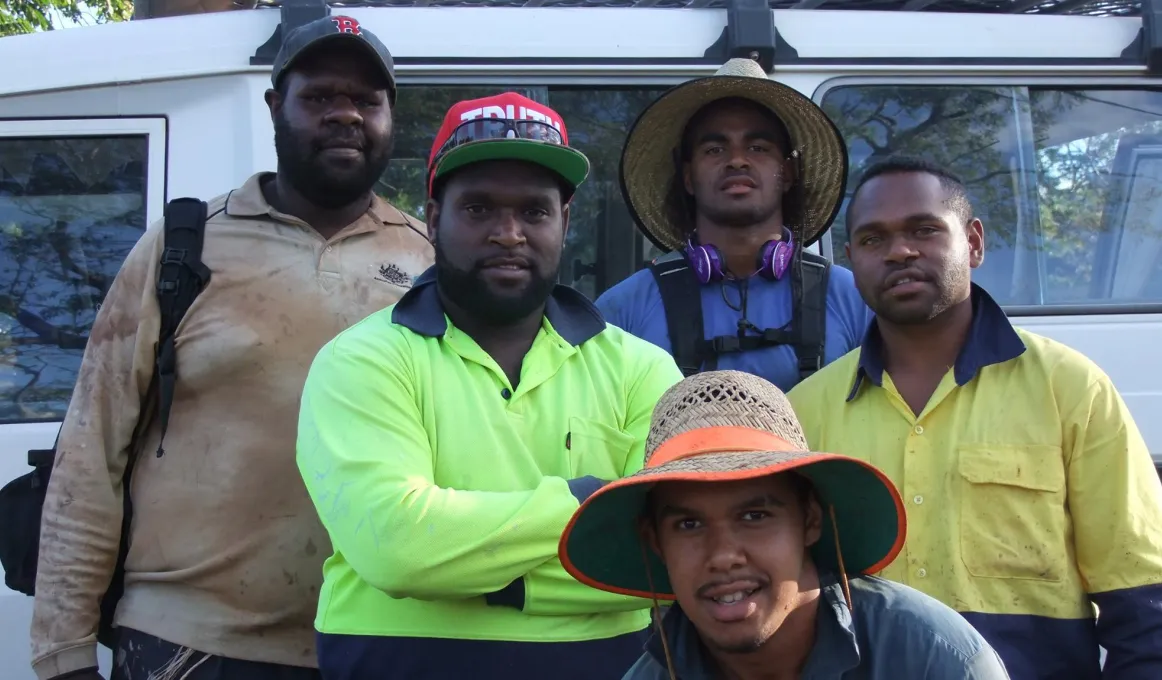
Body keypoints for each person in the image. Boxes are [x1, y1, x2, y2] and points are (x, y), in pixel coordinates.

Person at [29, 15, 433, 680]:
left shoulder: (427, 262)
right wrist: (63, 653)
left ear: (391, 116)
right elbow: (89, 453)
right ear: (276, 107)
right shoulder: (184, 247)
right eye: (321, 96)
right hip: (188, 646)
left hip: (375, 641)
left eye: (366, 100)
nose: (345, 116)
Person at [294, 92, 684, 680]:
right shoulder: (361, 361)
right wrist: (584, 504)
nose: (509, 234)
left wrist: (482, 582)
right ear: (432, 218)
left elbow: (671, 558)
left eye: (534, 211)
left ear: (565, 222)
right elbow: (397, 548)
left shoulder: (641, 370)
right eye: (478, 210)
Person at [786, 156, 1162, 680]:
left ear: (975, 242)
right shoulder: (806, 411)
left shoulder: (1070, 389)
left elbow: (1144, 602)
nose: (900, 251)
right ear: (851, 262)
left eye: (924, 230)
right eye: (873, 240)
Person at [557, 369, 1011, 679]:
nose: (723, 556)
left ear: (810, 519)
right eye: (689, 525)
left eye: (754, 517)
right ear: (654, 542)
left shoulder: (934, 661)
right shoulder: (657, 673)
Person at [595, 57, 871, 392]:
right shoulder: (622, 309)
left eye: (757, 147)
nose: (737, 160)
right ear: (687, 177)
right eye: (714, 149)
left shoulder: (856, 299)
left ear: (788, 174)